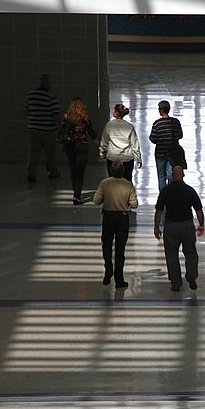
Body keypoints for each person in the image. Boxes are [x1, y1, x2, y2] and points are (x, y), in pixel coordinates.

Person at [154, 165, 204, 292]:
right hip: (187, 225)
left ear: (172, 176)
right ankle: (191, 275)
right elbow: (198, 210)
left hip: (171, 226)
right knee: (191, 252)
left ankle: (176, 283)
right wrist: (201, 224)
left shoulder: (165, 191)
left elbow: (159, 210)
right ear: (183, 175)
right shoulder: (189, 190)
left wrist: (156, 227)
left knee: (171, 255)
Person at [93, 159, 138, 289]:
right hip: (122, 218)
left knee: (106, 245)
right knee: (120, 249)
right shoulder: (128, 185)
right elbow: (134, 204)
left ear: (111, 170)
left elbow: (96, 200)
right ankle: (119, 278)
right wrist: (126, 204)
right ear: (123, 171)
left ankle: (108, 270)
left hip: (108, 217)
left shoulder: (105, 183)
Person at [25, 74, 61, 182]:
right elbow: (56, 114)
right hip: (48, 130)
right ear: (47, 84)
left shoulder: (31, 96)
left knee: (33, 152)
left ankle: (31, 173)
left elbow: (27, 110)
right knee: (50, 153)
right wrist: (60, 128)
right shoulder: (51, 97)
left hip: (33, 129)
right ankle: (52, 172)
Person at [60, 97, 97, 205]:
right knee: (80, 172)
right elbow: (90, 130)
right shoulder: (84, 118)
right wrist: (95, 139)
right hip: (82, 146)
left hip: (69, 146)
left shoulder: (66, 117)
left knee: (73, 170)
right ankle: (77, 195)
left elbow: (62, 130)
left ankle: (76, 192)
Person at [99, 104, 142, 183]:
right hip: (127, 158)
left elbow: (104, 141)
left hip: (112, 158)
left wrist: (102, 152)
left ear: (116, 112)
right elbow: (134, 143)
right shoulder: (129, 126)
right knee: (127, 181)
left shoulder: (109, 125)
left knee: (113, 181)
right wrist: (139, 157)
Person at [149, 100, 183, 191]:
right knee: (171, 175)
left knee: (161, 177)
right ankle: (171, 195)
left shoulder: (157, 123)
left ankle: (163, 197)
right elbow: (180, 136)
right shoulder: (176, 122)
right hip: (173, 154)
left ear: (161, 110)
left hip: (160, 153)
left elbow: (152, 138)